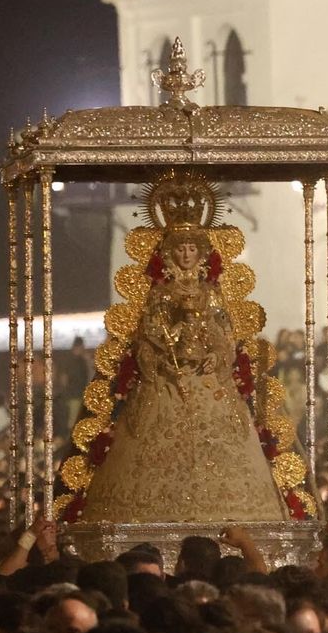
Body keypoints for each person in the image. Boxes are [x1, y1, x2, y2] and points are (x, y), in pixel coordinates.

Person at [82, 177, 288, 524]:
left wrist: (216, 354)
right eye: (180, 249)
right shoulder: (160, 294)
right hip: (167, 379)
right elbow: (148, 334)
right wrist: (166, 346)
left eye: (192, 249)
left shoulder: (213, 293)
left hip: (208, 380)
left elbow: (225, 333)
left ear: (202, 253)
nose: (186, 254)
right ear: (170, 253)